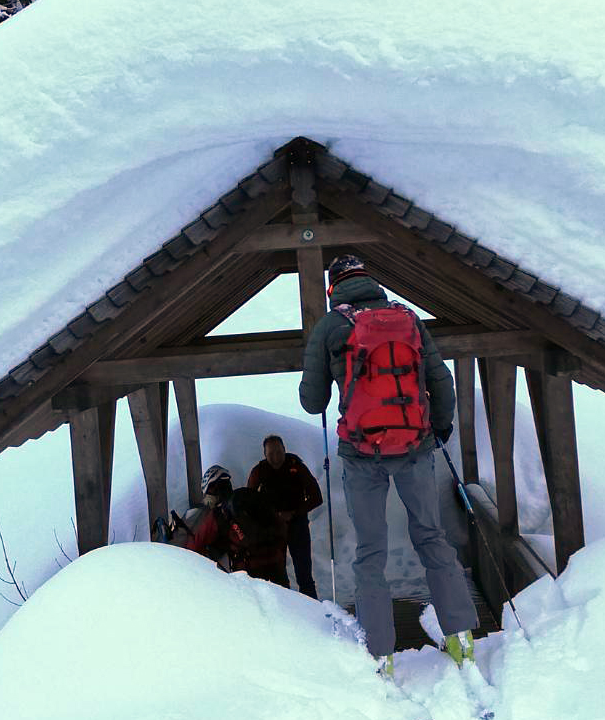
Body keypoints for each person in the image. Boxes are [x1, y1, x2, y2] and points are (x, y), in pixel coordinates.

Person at [299, 254, 477, 672]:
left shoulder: (329, 326)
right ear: (370, 280)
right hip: (414, 446)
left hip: (361, 455)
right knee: (431, 537)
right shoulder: (408, 319)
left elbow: (312, 402)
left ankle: (381, 654)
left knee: (369, 552)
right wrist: (440, 426)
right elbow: (441, 382)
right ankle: (462, 639)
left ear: (333, 288)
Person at [185, 466, 290, 587]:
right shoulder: (250, 495)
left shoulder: (218, 514)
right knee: (286, 603)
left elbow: (194, 545)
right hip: (275, 561)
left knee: (254, 605)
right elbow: (280, 525)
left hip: (249, 570)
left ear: (212, 491)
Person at [247, 434, 323, 599]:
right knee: (277, 576)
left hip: (297, 525)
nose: (276, 457)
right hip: (271, 530)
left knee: (304, 575)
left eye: (279, 452)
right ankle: (286, 614)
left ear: (285, 450)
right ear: (265, 455)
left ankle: (313, 613)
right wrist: (271, 516)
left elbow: (317, 497)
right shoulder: (259, 472)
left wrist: (294, 513)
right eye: (271, 454)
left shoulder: (296, 466)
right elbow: (249, 502)